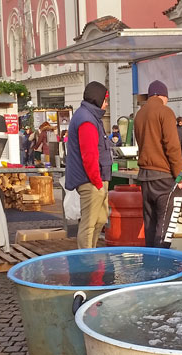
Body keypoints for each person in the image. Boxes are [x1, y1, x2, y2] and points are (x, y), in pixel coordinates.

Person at [134, 80, 182, 248]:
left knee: (150, 224)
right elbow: (173, 146)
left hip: (146, 177)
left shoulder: (139, 114)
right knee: (165, 228)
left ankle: (149, 265)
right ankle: (160, 268)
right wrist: (179, 174)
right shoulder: (165, 112)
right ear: (163, 96)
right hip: (164, 177)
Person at [65, 81, 113, 249]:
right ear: (97, 99)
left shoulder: (90, 116)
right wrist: (98, 182)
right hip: (91, 181)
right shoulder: (87, 120)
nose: (106, 104)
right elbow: (89, 156)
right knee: (89, 224)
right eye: (105, 100)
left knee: (100, 219)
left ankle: (90, 254)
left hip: (96, 179)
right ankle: (85, 261)